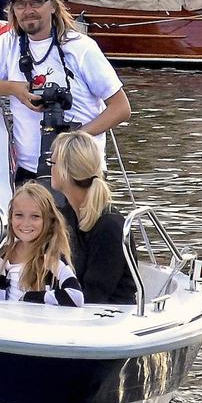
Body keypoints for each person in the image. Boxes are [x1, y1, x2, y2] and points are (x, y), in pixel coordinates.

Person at [0, 0, 131, 184]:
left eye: (36, 3)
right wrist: (13, 89)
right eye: (20, 5)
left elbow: (121, 108)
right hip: (30, 172)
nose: (28, 11)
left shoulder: (80, 47)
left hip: (80, 169)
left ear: (53, 6)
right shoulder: (10, 44)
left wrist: (73, 138)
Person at [50, 131, 137, 305]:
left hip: (109, 319)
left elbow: (94, 295)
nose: (49, 168)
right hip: (73, 312)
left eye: (52, 163)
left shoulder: (109, 228)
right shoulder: (67, 216)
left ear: (66, 171)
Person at [0, 183, 84, 307]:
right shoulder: (3, 255)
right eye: (19, 215)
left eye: (35, 216)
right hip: (3, 322)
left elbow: (76, 296)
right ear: (11, 218)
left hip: (35, 324)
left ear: (48, 220)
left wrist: (29, 297)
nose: (26, 223)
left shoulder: (52, 258)